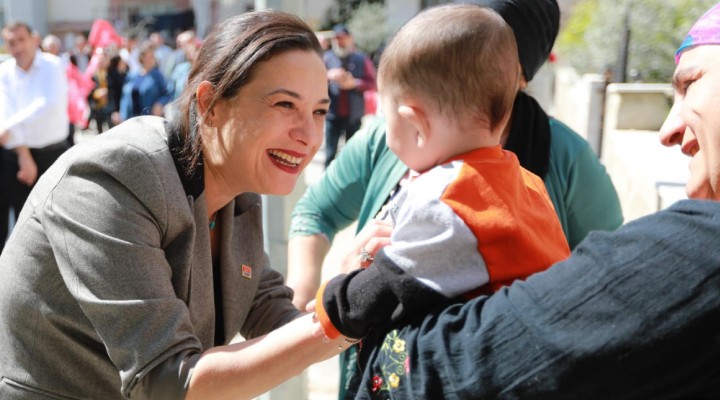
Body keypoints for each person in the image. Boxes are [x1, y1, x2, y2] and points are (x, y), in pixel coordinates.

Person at [348, 2, 720, 398]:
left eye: (690, 83)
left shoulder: (688, 252)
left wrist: (362, 303)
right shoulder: (389, 143)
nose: (668, 130)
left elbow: (438, 373)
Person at [0, 11, 360, 399]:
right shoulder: (116, 175)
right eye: (285, 105)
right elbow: (169, 383)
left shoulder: (237, 182)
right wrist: (338, 321)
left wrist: (363, 293)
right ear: (210, 104)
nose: (308, 135)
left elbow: (266, 305)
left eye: (319, 111)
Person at [286, 1, 622, 395]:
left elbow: (385, 287)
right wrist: (300, 290)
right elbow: (316, 211)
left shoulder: (448, 197)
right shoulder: (523, 178)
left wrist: (333, 297)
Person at [0, 21, 69, 253]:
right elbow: (5, 110)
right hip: (17, 158)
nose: (18, 47)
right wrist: (23, 153)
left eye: (21, 40)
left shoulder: (53, 65)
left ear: (34, 39)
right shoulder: (5, 71)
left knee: (57, 222)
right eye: (11, 42)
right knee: (23, 223)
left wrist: (9, 126)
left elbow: (47, 105)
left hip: (53, 154)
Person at [323, 23, 377, 168]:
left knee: (352, 155)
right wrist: (328, 76)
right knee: (329, 153)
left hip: (353, 115)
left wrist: (355, 83)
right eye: (336, 39)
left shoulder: (361, 58)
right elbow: (313, 80)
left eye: (342, 38)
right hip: (332, 114)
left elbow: (373, 83)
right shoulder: (326, 58)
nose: (339, 42)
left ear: (350, 39)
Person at [119, 41, 170, 121]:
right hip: (131, 119)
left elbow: (167, 94)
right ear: (142, 57)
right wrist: (121, 113)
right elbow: (124, 96)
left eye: (153, 56)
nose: (153, 58)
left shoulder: (157, 75)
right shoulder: (132, 75)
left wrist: (160, 103)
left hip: (149, 120)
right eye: (150, 56)